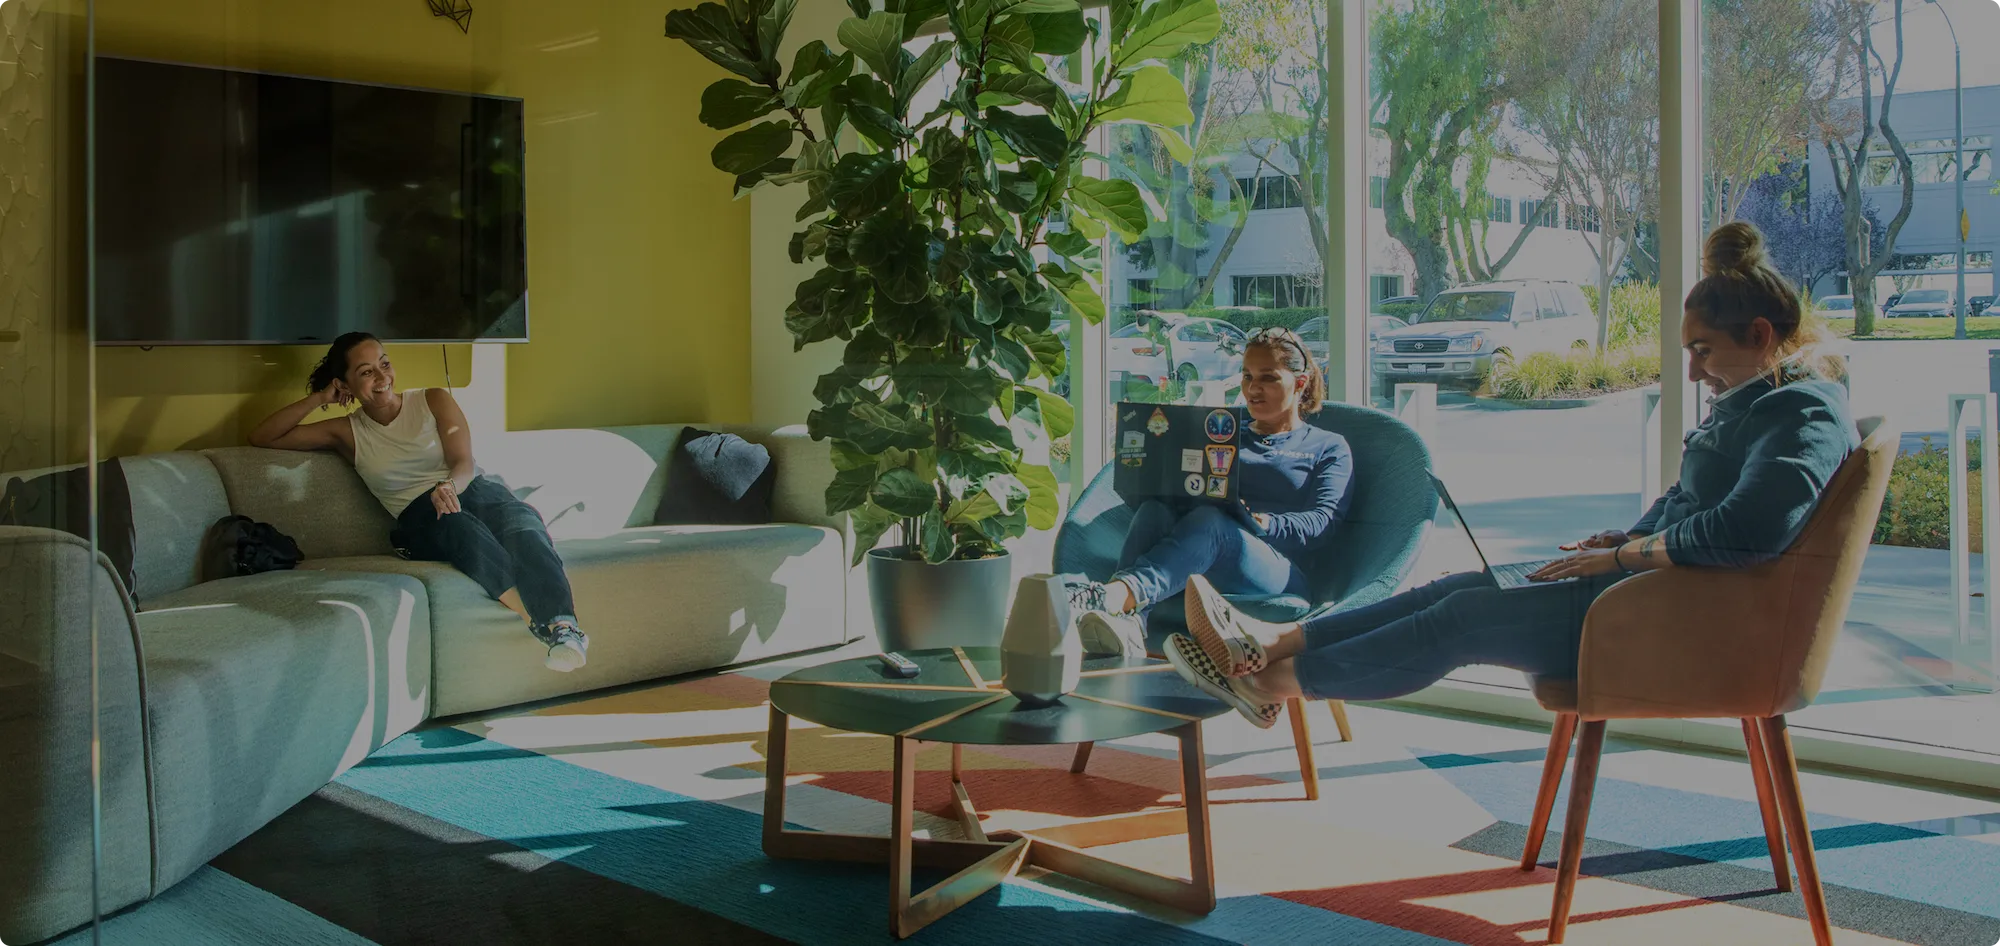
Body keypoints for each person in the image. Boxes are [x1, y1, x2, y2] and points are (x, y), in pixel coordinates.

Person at [1163, 222, 1859, 728]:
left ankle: (1270, 686)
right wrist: (1624, 540)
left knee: (1464, 618)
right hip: (1650, 590)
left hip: (1672, 619)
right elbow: (1688, 499)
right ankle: (1274, 643)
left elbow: (1748, 531)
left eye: (1703, 351)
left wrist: (1623, 556)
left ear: (1760, 336)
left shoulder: (1805, 411)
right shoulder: (1758, 402)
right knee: (1459, 586)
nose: (1693, 371)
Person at [248, 332, 589, 672]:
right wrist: (320, 397)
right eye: (366, 372)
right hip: (420, 515)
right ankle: (542, 625)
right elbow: (263, 437)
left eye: (384, 364)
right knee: (458, 526)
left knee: (524, 521)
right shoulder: (346, 432)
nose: (382, 377)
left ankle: (565, 627)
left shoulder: (432, 400)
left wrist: (448, 486)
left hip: (469, 488)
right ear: (344, 384)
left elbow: (463, 463)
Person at [1068, 326, 1354, 657]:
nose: (1253, 389)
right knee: (1155, 511)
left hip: (1280, 573)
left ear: (1300, 383)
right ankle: (1132, 626)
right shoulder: (1223, 432)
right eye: (1247, 376)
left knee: (1212, 521)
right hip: (1199, 554)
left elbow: (1323, 522)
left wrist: (1264, 522)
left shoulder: (1328, 447)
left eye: (1268, 378)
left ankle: (1113, 597)